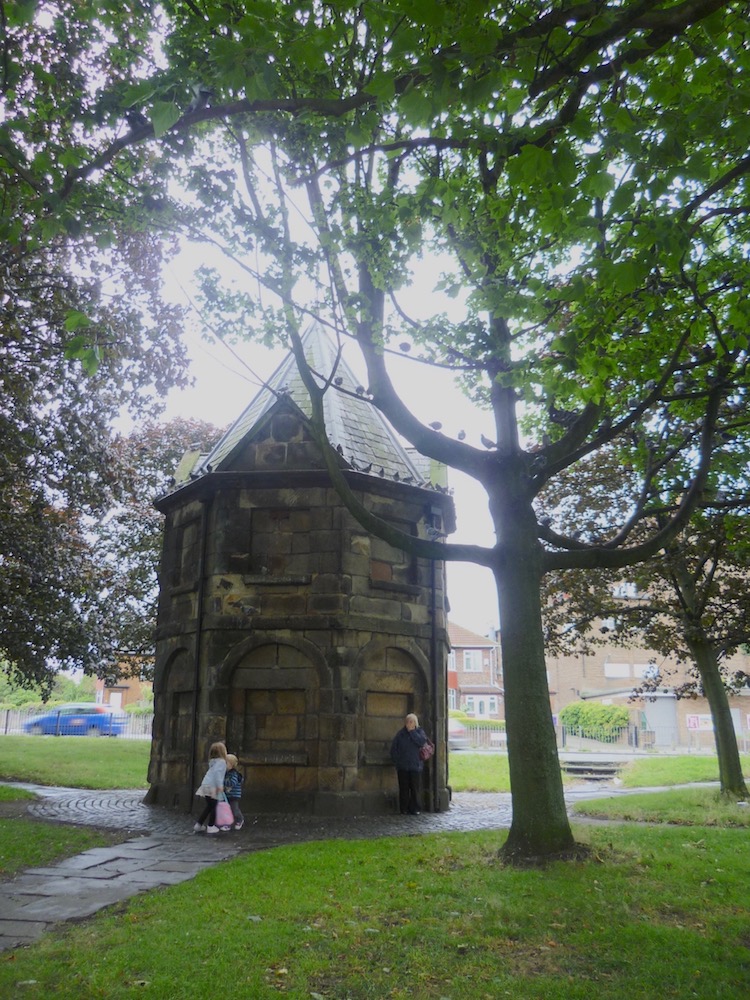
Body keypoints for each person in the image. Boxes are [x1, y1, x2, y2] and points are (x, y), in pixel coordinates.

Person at [390, 712, 429, 815]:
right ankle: (404, 808)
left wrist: (412, 732)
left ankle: (415, 808)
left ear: (415, 723)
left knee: (414, 789)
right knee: (403, 789)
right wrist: (397, 761)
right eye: (407, 721)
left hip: (415, 766)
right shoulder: (401, 734)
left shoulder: (419, 732)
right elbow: (394, 748)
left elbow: (421, 742)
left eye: (411, 721)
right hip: (403, 766)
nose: (409, 723)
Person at [193, 741, 228, 834]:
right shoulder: (222, 762)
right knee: (215, 807)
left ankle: (199, 825)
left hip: (205, 785)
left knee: (209, 806)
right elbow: (218, 775)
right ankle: (211, 826)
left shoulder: (212, 762)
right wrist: (220, 786)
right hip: (213, 787)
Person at [223, 753, 244, 830]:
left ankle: (240, 819)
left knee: (234, 809)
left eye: (226, 763)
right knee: (226, 810)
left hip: (234, 795)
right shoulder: (225, 773)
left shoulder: (234, 774)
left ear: (231, 765)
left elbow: (232, 783)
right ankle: (227, 823)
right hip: (227, 795)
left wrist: (222, 782)